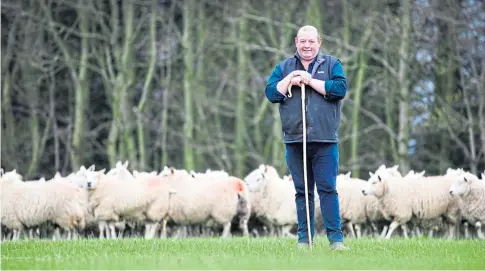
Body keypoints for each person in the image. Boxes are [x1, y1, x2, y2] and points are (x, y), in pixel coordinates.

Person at [264, 25, 349, 251]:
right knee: (302, 192)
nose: (307, 45)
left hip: (325, 140)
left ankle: (336, 241)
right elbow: (272, 93)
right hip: (295, 140)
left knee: (328, 189)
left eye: (311, 41)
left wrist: (309, 80)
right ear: (296, 42)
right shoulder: (284, 67)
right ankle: (304, 240)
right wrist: (291, 78)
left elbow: (340, 89)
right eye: (303, 41)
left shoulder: (332, 64)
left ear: (319, 42)